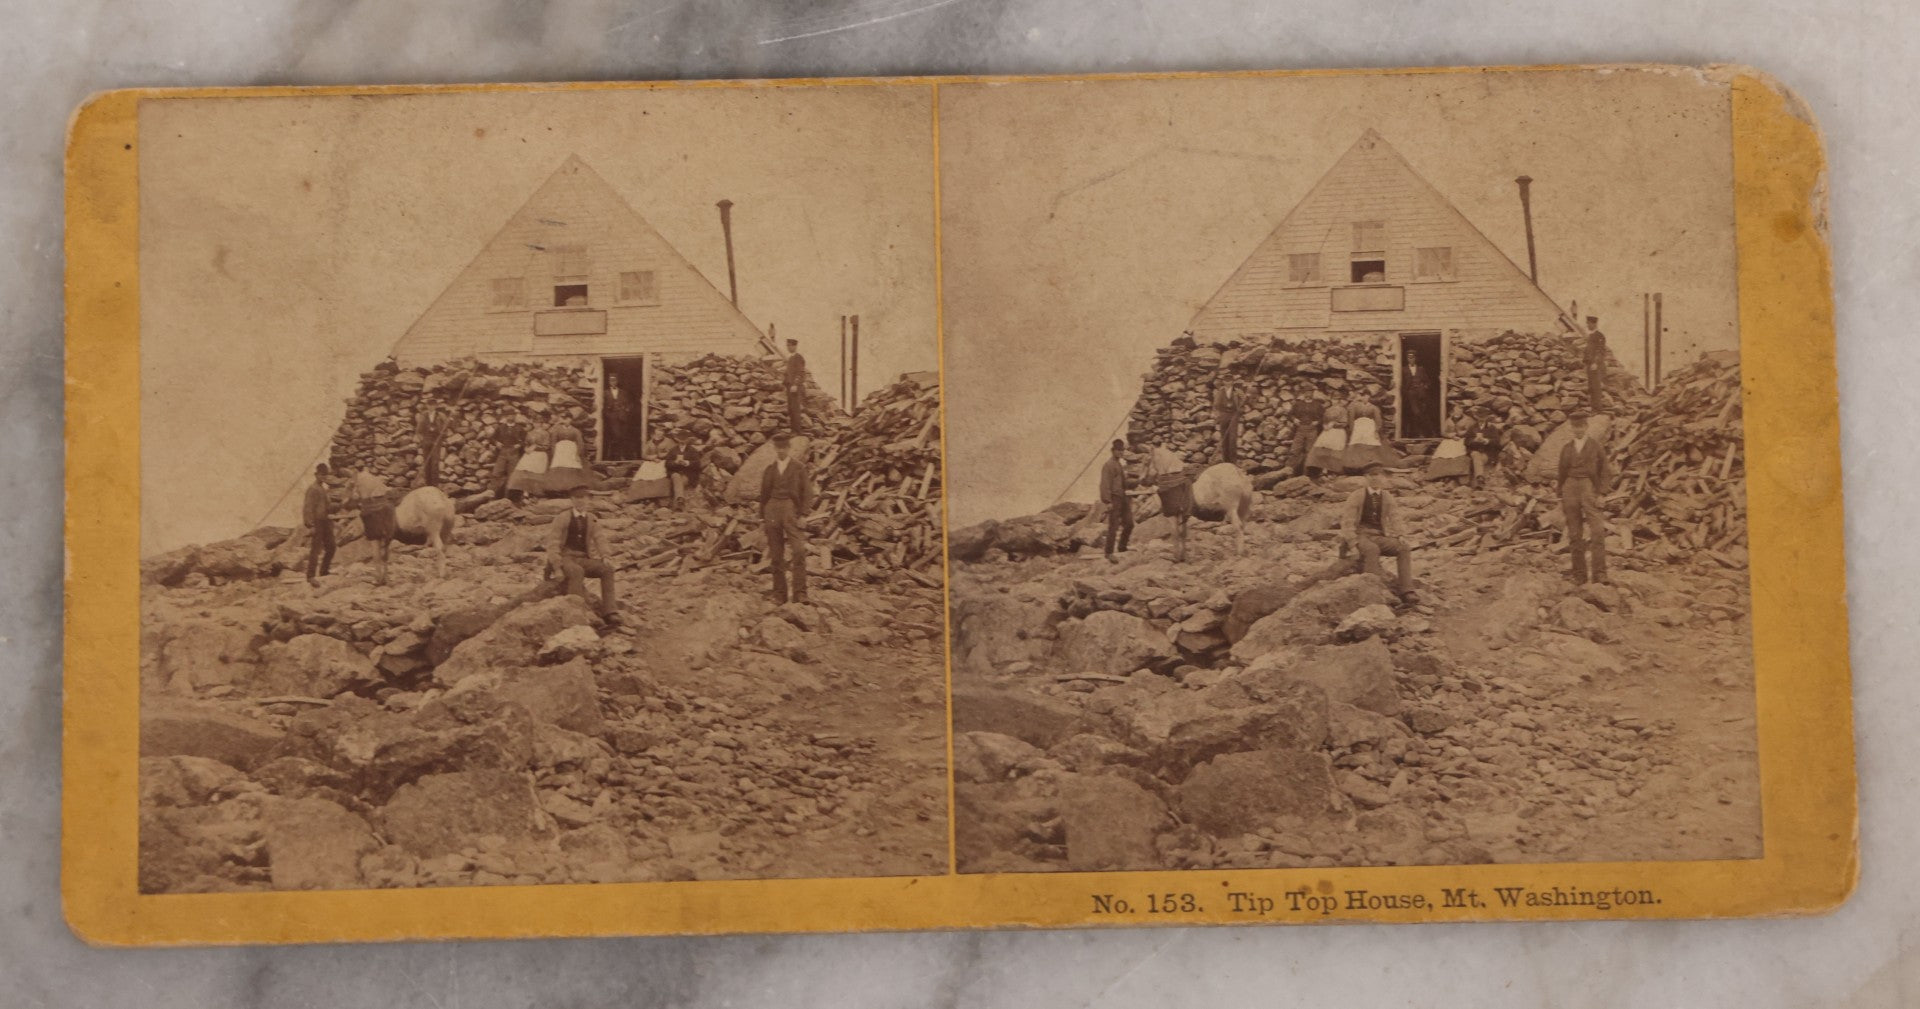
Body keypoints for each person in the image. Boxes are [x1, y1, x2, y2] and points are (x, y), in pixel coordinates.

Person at [1341, 464, 1416, 602]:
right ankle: (1372, 592)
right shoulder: (1357, 496)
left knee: (1403, 548)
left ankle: (1407, 590)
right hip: (1361, 535)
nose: (1375, 479)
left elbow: (1395, 517)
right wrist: (1352, 543)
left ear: (1383, 477)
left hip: (1378, 536)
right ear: (1366, 477)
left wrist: (1400, 535)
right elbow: (1347, 522)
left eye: (1378, 475)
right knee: (1372, 549)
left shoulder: (1386, 496)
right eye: (1371, 475)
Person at [547, 484, 618, 622]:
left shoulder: (591, 518)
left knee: (607, 569)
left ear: (588, 500)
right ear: (572, 500)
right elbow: (553, 543)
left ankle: (610, 611)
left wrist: (605, 556)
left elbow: (600, 538)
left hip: (583, 558)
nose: (580, 501)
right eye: (577, 498)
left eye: (583, 498)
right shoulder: (562, 517)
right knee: (576, 571)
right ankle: (576, 612)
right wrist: (556, 567)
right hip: (566, 558)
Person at [759, 432, 815, 604]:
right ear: (775, 449)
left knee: (798, 551)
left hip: (791, 509)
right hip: (772, 509)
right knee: (776, 555)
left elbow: (807, 492)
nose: (781, 451)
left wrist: (804, 514)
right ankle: (779, 594)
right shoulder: (770, 469)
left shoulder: (798, 468)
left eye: (784, 447)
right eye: (778, 448)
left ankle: (800, 593)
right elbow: (764, 495)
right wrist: (762, 517)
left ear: (789, 448)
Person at [1559, 408, 1612, 585]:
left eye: (1581, 426)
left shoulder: (1595, 447)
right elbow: (1561, 472)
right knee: (1575, 534)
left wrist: (1602, 493)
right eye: (1575, 426)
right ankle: (1579, 575)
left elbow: (1605, 471)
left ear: (1586, 426)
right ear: (1571, 428)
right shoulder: (1567, 448)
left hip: (1589, 487)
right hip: (1570, 488)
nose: (1578, 430)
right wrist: (1561, 493)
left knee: (1597, 532)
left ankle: (1600, 574)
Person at [347, 466, 397, 586]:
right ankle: (386, 575)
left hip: (371, 512)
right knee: (385, 545)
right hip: (386, 510)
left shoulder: (357, 480)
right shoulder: (374, 478)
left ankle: (379, 577)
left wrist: (351, 491)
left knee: (375, 545)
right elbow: (386, 492)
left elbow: (354, 498)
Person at [1145, 445, 1195, 563]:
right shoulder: (1171, 455)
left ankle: (1176, 554)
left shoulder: (1155, 456)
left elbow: (1152, 474)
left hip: (1169, 489)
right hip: (1183, 486)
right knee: (1183, 522)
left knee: (1173, 523)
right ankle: (1184, 553)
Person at [1098, 438, 1134, 563]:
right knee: (1113, 526)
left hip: (1122, 497)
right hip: (1114, 498)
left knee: (1129, 523)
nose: (1120, 452)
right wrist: (1107, 502)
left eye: (1122, 450)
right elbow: (1104, 484)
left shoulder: (1119, 464)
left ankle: (1122, 547)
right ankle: (1109, 553)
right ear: (1113, 451)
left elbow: (1123, 483)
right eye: (1118, 450)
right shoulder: (1108, 465)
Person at [1343, 398, 1401, 472]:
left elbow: (1378, 419)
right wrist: (1352, 428)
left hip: (1369, 426)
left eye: (1366, 396)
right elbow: (1351, 418)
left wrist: (1377, 429)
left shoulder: (1374, 407)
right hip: (1358, 426)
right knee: (1357, 443)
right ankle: (1357, 463)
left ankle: (1370, 462)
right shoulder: (1354, 406)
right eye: (1362, 396)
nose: (1364, 398)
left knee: (1371, 442)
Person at [302, 463, 336, 587]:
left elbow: (328, 507)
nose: (323, 477)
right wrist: (310, 525)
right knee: (315, 549)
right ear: (316, 475)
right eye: (321, 475)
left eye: (325, 475)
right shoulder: (312, 489)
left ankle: (324, 571)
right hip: (317, 522)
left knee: (331, 546)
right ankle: (310, 576)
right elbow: (307, 508)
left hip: (325, 521)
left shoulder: (323, 489)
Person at [544, 414, 589, 495]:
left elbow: (580, 443)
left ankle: (572, 487)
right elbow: (553, 441)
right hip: (560, 450)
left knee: (571, 465)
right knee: (559, 465)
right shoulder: (557, 430)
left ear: (571, 420)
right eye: (565, 419)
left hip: (571, 450)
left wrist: (577, 454)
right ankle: (557, 488)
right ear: (563, 420)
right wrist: (554, 452)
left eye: (568, 419)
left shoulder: (575, 430)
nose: (567, 421)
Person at [505, 425, 551, 503]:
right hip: (529, 454)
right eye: (535, 422)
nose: (536, 424)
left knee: (535, 475)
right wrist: (526, 448)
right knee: (524, 472)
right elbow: (526, 443)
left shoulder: (545, 433)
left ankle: (534, 495)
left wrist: (535, 447)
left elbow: (546, 446)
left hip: (540, 455)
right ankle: (525, 493)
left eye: (538, 422)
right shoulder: (530, 433)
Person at [1304, 399, 1348, 478]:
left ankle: (1332, 472)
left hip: (1338, 432)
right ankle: (1320, 471)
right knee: (1322, 450)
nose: (1335, 401)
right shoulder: (1328, 410)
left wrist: (1334, 424)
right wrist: (1325, 425)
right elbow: (1324, 420)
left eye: (1336, 399)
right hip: (1327, 431)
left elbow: (1344, 423)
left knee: (1334, 452)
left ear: (1339, 400)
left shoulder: (1343, 410)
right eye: (1333, 398)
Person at [414, 401, 451, 488]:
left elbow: (446, 427)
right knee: (427, 462)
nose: (431, 407)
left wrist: (441, 437)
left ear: (435, 406)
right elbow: (418, 430)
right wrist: (422, 440)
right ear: (427, 406)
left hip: (436, 441)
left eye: (433, 405)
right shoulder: (424, 415)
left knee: (435, 463)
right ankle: (428, 484)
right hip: (426, 441)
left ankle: (435, 485)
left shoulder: (440, 415)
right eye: (429, 405)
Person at [1464, 411, 1504, 489]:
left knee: (1478, 459)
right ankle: (1480, 478)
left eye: (1483, 418)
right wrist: (1474, 440)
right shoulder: (1472, 427)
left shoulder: (1492, 428)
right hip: (1475, 451)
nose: (1481, 420)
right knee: (1475, 455)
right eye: (1479, 418)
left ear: (1486, 418)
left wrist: (1487, 441)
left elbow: (1497, 442)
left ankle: (1478, 481)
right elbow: (1466, 442)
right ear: (1476, 418)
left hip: (1487, 453)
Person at [665, 432, 705, 510]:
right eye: (680, 441)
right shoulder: (673, 450)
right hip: (675, 472)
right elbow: (667, 463)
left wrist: (687, 463)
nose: (682, 442)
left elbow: (697, 464)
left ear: (687, 441)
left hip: (687, 474)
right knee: (676, 476)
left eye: (684, 441)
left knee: (678, 483)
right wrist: (675, 462)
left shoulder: (692, 450)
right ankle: (680, 500)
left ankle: (677, 504)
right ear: (677, 441)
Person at [487, 421, 526, 498]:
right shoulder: (501, 427)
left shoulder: (519, 428)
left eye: (512, 415)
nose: (510, 417)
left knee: (512, 475)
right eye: (508, 415)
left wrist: (520, 444)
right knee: (496, 473)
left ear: (515, 416)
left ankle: (509, 497)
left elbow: (525, 440)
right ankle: (491, 495)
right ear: (506, 417)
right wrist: (497, 443)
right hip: (502, 452)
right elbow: (492, 438)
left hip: (514, 453)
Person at [1288, 394, 1325, 475]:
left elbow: (1323, 416)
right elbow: (1290, 414)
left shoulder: (1317, 405)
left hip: (1312, 430)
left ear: (1312, 393)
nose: (1308, 394)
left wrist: (1318, 422)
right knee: (1295, 450)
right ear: (1304, 393)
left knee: (1310, 451)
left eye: (1310, 392)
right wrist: (1294, 419)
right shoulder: (1298, 404)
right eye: (1306, 392)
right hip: (1300, 429)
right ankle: (1289, 472)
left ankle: (1308, 474)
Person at [1211, 376, 1243, 464]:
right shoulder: (1220, 391)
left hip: (1234, 415)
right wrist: (1218, 413)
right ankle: (1225, 460)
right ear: (1223, 382)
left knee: (1232, 438)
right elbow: (1216, 404)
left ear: (1233, 382)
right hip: (1224, 415)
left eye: (1229, 381)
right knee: (1224, 437)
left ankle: (1233, 461)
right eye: (1226, 381)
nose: (1228, 383)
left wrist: (1242, 400)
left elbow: (1243, 401)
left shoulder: (1237, 391)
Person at [783, 338, 809, 435]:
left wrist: (795, 384)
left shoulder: (798, 357)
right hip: (789, 387)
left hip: (795, 388)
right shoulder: (790, 358)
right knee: (790, 409)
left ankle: (797, 430)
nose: (788, 347)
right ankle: (793, 430)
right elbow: (788, 374)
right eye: (787, 346)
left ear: (795, 346)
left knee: (795, 409)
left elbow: (800, 373)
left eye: (789, 345)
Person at [1584, 317, 1609, 412]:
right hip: (1590, 365)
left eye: (1588, 323)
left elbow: (1600, 351)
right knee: (1591, 387)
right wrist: (1586, 363)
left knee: (1596, 387)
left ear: (1594, 324)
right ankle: (1593, 408)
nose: (1587, 325)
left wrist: (1595, 362)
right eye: (1587, 323)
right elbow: (1588, 351)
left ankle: (1598, 409)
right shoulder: (1590, 336)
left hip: (1596, 366)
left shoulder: (1599, 336)